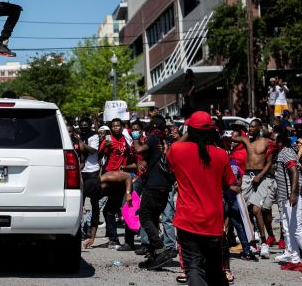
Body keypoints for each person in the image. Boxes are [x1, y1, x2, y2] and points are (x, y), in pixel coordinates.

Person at [167, 111, 238, 285]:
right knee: (214, 267)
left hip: (188, 219)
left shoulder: (177, 150)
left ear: (189, 130)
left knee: (193, 266)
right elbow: (230, 183)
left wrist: (188, 133)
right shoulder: (221, 155)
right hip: (213, 221)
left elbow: (170, 156)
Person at [134, 115, 177, 270]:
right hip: (165, 186)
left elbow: (139, 149)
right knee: (152, 218)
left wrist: (135, 138)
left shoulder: (153, 139)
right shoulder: (165, 141)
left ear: (152, 126)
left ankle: (159, 248)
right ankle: (154, 256)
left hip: (153, 185)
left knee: (144, 215)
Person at [232, 118, 277, 258]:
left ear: (259, 128)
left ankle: (264, 243)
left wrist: (260, 176)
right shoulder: (246, 141)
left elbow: (269, 162)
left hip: (260, 176)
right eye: (249, 127)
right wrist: (238, 129)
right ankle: (252, 242)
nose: (250, 129)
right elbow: (233, 138)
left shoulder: (266, 142)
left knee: (257, 209)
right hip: (246, 176)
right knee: (245, 210)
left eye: (252, 127)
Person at [98, 118, 135, 250]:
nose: (116, 128)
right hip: (110, 177)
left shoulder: (126, 139)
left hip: (123, 178)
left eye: (118, 125)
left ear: (122, 127)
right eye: (113, 126)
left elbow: (131, 155)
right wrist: (105, 148)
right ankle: (115, 239)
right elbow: (99, 155)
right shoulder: (108, 140)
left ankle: (121, 240)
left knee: (120, 209)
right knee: (109, 209)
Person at [273, 133, 302, 270]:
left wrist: (294, 194)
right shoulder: (282, 152)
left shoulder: (286, 152)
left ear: (281, 142)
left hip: (292, 197)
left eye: (275, 140)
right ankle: (295, 259)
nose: (273, 143)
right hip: (285, 197)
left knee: (297, 229)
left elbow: (294, 172)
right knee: (289, 229)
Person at [75, 118, 100, 248]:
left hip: (93, 172)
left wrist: (79, 141)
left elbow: (92, 150)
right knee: (79, 204)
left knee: (95, 205)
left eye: (86, 126)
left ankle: (92, 234)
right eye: (82, 126)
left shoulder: (93, 136)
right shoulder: (78, 135)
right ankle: (79, 230)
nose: (84, 128)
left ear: (89, 126)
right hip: (80, 172)